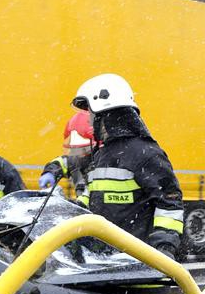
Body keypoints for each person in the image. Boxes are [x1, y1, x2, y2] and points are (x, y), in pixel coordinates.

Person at [69, 73, 184, 259]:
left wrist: (164, 249)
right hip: (105, 264)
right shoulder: (102, 155)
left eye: (91, 113)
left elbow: (169, 204)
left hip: (137, 269)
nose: (89, 120)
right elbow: (93, 198)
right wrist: (68, 212)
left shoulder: (146, 154)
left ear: (103, 115)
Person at [38, 111, 98, 199]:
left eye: (84, 149)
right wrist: (50, 172)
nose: (79, 154)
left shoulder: (105, 164)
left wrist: (82, 202)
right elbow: (62, 162)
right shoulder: (76, 159)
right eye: (75, 148)